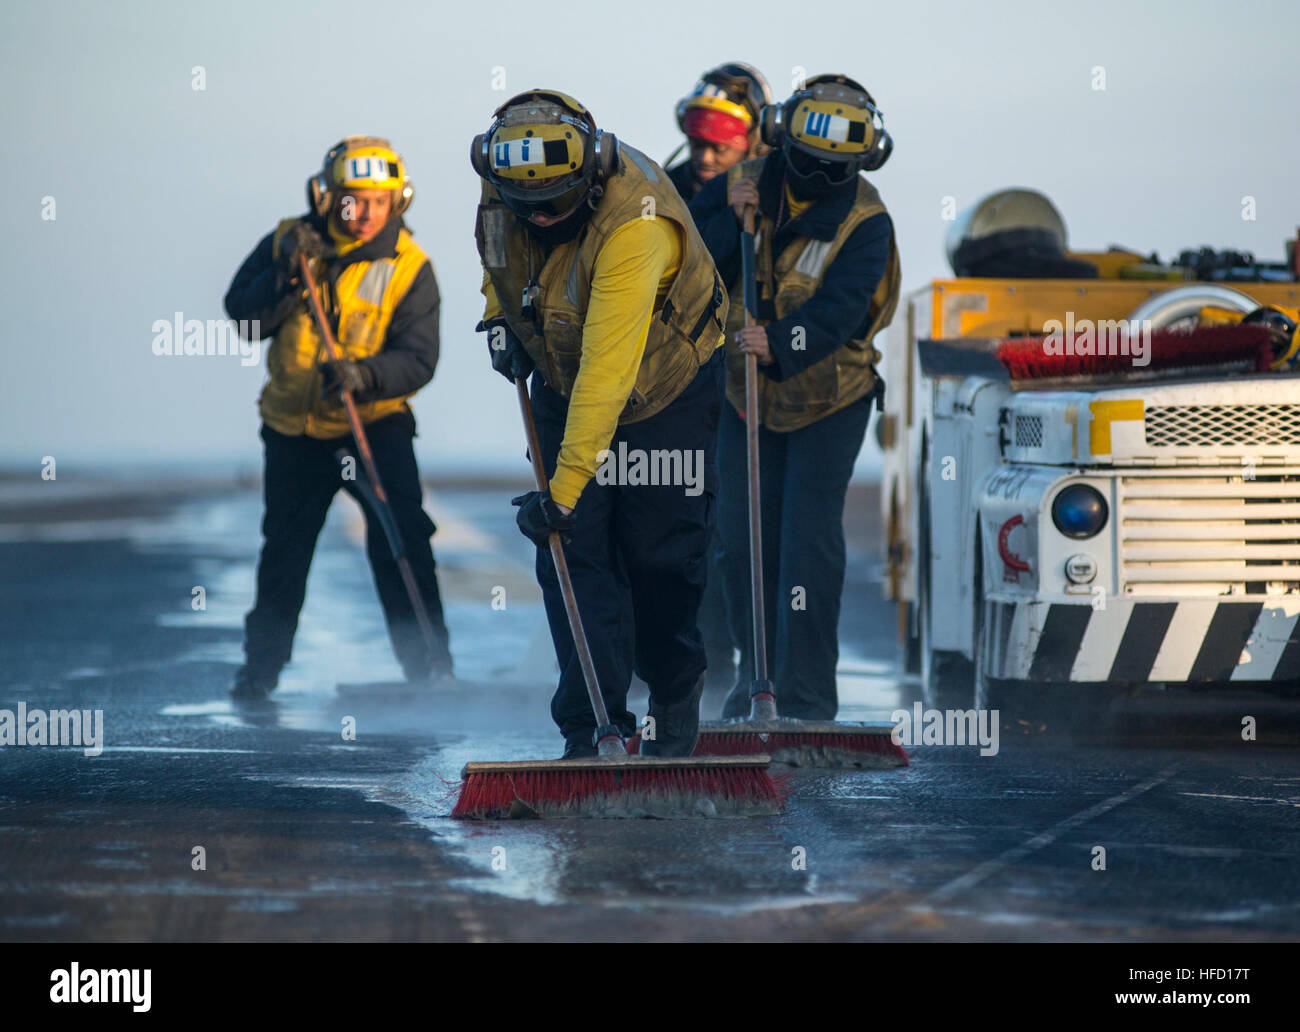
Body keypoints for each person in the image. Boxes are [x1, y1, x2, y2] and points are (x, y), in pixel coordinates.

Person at [471, 90, 728, 757]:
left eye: (554, 203)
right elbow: (501, 265)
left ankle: (675, 683)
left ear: (587, 176)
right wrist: (501, 320)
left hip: (665, 386)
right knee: (572, 553)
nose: (540, 215)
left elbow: (608, 373)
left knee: (657, 556)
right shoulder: (507, 192)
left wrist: (560, 492)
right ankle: (593, 728)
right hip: (563, 372)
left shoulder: (636, 223)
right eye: (526, 204)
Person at [690, 74, 901, 721]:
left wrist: (778, 343)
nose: (813, 176)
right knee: (741, 540)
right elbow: (693, 258)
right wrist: (728, 211)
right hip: (744, 394)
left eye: (832, 169)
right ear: (785, 140)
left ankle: (805, 696)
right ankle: (756, 684)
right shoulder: (743, 183)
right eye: (805, 161)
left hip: (829, 399)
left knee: (805, 545)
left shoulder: (866, 224)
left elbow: (841, 312)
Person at [224, 136, 452, 699]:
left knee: (402, 542)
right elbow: (245, 318)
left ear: (399, 201)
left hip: (372, 427)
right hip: (293, 433)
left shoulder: (411, 268)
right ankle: (260, 674)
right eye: (353, 199)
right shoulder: (287, 242)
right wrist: (286, 271)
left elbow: (420, 359)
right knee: (284, 551)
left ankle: (430, 672)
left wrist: (363, 375)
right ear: (327, 198)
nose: (366, 212)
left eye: (379, 200)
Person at [666, 62, 772, 201]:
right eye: (697, 144)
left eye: (719, 148)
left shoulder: (777, 192)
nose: (705, 158)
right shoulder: (666, 192)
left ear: (755, 141)